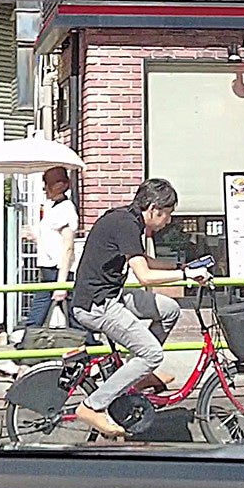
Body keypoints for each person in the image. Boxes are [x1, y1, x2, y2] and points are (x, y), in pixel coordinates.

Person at [67, 179, 209, 438]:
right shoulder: (126, 225)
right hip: (97, 305)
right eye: (167, 214)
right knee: (153, 354)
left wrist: (185, 267)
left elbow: (145, 261)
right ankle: (92, 406)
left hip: (111, 296)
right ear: (154, 209)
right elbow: (144, 276)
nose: (168, 221)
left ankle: (139, 374)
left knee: (169, 310)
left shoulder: (127, 220)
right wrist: (185, 277)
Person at [0, 166, 79, 380]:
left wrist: (60, 283)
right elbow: (54, 243)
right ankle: (21, 363)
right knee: (42, 320)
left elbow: (68, 247)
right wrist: (36, 237)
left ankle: (95, 361)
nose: (45, 189)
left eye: (47, 185)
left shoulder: (66, 209)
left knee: (76, 323)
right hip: (49, 271)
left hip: (59, 273)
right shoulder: (53, 208)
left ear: (60, 185)